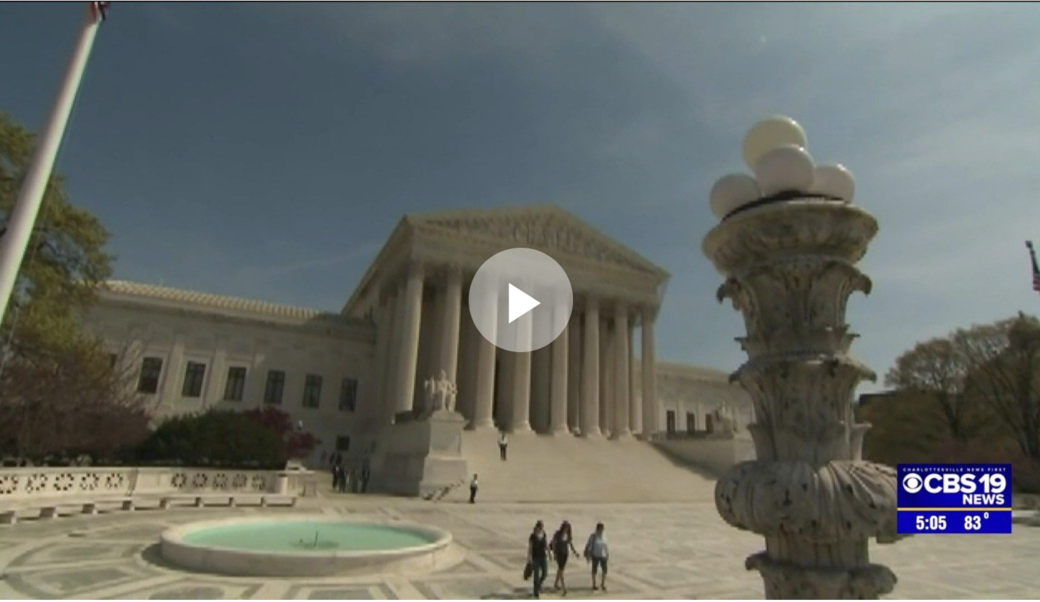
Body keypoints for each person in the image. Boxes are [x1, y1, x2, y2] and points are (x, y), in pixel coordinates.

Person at [551, 520, 579, 595]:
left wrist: (575, 552)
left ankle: (556, 584)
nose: (566, 529)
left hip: (565, 554)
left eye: (567, 528)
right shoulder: (557, 534)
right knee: (561, 570)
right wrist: (554, 554)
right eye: (565, 527)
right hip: (559, 554)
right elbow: (553, 544)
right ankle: (564, 588)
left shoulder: (568, 535)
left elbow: (570, 544)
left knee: (560, 570)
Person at [528, 520, 551, 599]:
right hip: (535, 557)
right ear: (537, 527)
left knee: (545, 573)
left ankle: (539, 584)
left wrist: (549, 553)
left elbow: (546, 544)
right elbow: (530, 548)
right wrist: (529, 558)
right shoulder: (532, 536)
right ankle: (536, 592)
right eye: (540, 527)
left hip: (543, 556)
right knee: (536, 576)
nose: (541, 528)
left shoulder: (544, 534)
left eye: (542, 527)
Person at [584, 522, 609, 592]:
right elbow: (589, 546)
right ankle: (594, 584)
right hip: (596, 555)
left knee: (604, 570)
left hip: (603, 555)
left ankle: (603, 584)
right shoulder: (593, 536)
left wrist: (607, 553)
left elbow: (606, 545)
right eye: (601, 529)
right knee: (594, 570)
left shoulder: (604, 535)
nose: (602, 530)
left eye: (602, 529)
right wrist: (588, 555)